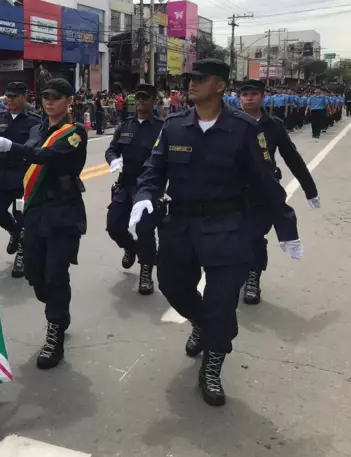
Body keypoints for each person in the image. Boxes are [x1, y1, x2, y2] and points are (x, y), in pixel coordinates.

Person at [129, 59, 302, 407]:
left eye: (200, 79)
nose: (191, 84)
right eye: (190, 78)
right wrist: (144, 196)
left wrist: (286, 227)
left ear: (220, 86)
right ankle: (200, 324)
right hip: (180, 225)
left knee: (222, 302)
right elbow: (153, 169)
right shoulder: (174, 125)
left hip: (227, 227)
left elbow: (265, 182)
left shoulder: (243, 129)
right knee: (173, 286)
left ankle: (213, 363)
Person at [0, 78, 87, 370]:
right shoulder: (36, 129)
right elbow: (27, 158)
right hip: (34, 210)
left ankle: (55, 332)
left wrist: (13, 148)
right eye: (46, 96)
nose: (49, 102)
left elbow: (46, 157)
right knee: (34, 273)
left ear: (69, 101)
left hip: (62, 212)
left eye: (57, 97)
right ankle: (57, 308)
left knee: (56, 273)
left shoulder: (75, 133)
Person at [238, 79, 319, 305]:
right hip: (232, 189)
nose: (249, 98)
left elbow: (292, 157)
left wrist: (309, 189)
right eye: (245, 95)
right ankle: (236, 274)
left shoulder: (273, 125)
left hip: (262, 190)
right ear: (239, 98)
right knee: (233, 236)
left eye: (254, 94)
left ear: (262, 96)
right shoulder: (229, 122)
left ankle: (253, 277)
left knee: (255, 235)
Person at [105, 84, 164, 295]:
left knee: (145, 230)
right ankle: (130, 247)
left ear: (154, 101)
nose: (140, 101)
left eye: (145, 98)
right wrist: (113, 160)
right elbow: (112, 149)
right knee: (114, 225)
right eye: (138, 97)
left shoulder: (162, 127)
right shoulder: (125, 125)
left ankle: (146, 270)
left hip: (149, 187)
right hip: (126, 183)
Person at [0, 82, 42, 278]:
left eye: (14, 96)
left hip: (23, 173)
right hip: (2, 173)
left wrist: (11, 146)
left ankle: (22, 252)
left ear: (24, 97)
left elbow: (32, 144)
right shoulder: (0, 118)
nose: (9, 100)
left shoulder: (34, 120)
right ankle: (16, 234)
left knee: (22, 216)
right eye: (7, 97)